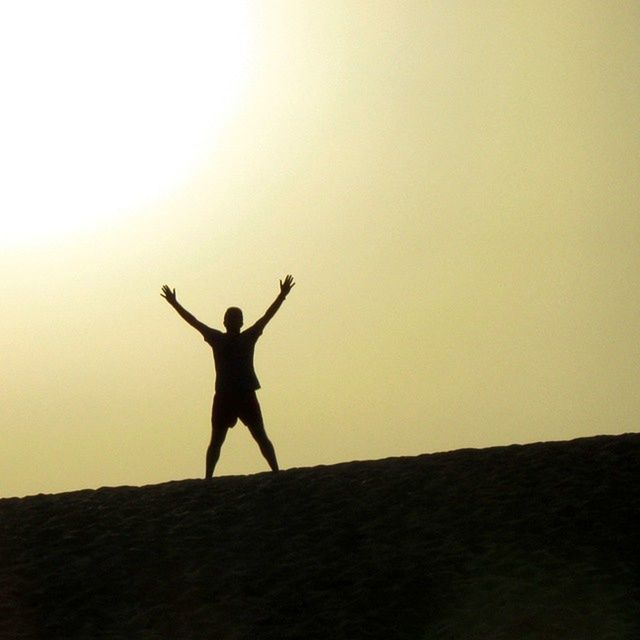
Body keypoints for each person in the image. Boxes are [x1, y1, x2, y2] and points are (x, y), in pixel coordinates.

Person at [161, 275, 295, 478]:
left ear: (239, 322)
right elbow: (194, 322)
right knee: (219, 439)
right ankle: (209, 477)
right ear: (226, 322)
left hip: (242, 394)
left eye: (236, 319)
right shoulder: (221, 338)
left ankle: (275, 471)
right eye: (232, 319)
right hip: (227, 395)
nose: (234, 322)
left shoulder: (243, 337)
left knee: (257, 436)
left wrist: (282, 295)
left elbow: (267, 316)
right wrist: (174, 303)